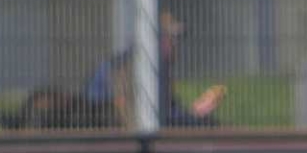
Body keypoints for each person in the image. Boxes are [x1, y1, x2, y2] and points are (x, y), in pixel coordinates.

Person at [80, 13, 224, 129]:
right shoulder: (127, 66)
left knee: (210, 125)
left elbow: (168, 111)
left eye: (177, 39)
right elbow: (95, 105)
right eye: (171, 37)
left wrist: (196, 112)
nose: (175, 44)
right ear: (154, 39)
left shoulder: (159, 68)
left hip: (145, 130)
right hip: (120, 136)